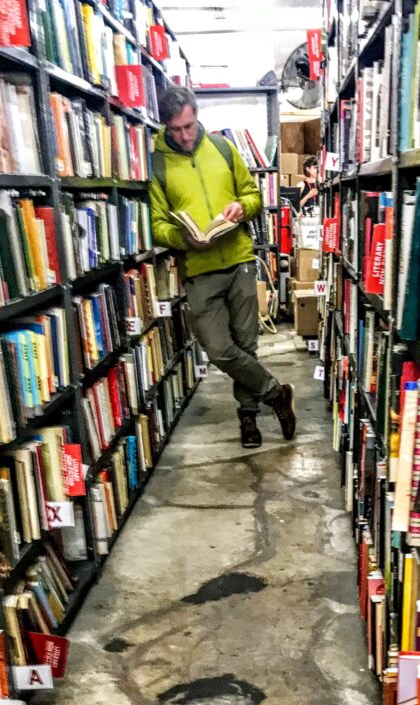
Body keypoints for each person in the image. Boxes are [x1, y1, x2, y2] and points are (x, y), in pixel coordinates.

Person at [148, 85, 296, 450]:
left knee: (246, 344)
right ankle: (276, 394)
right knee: (219, 350)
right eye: (176, 129)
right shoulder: (158, 163)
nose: (184, 135)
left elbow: (254, 195)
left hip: (240, 258)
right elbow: (156, 224)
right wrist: (185, 239)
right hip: (198, 268)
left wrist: (242, 208)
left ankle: (247, 418)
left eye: (189, 125)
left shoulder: (223, 148)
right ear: (165, 125)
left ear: (197, 115)